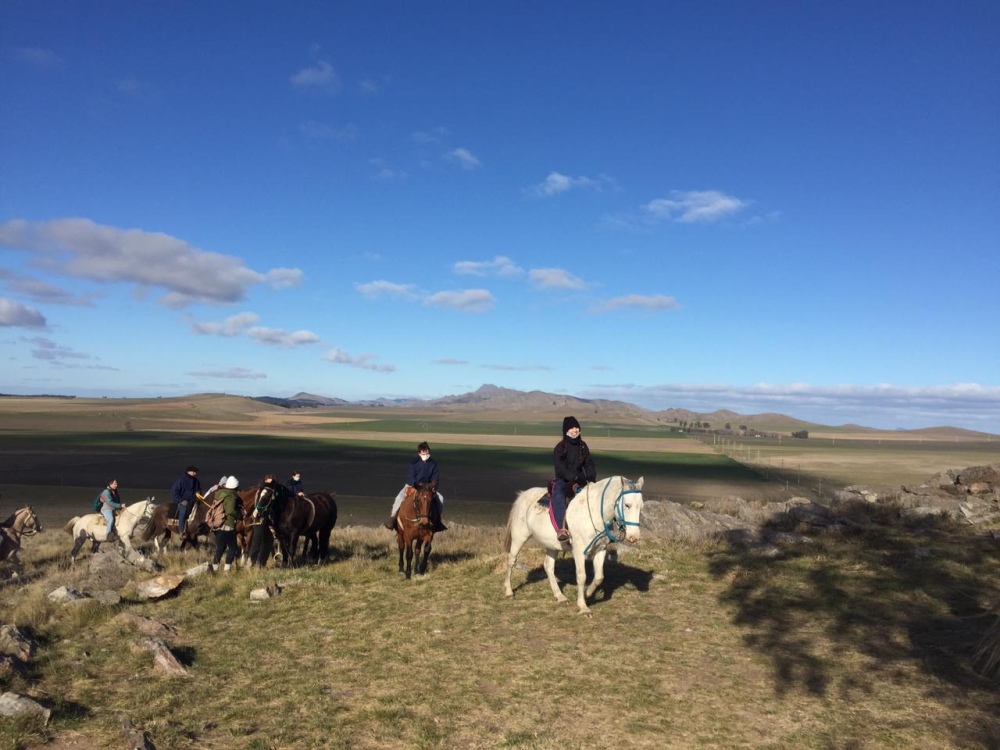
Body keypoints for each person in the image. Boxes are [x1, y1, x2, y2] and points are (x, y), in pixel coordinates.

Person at [551, 416, 597, 542]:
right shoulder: (560, 448)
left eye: (576, 427)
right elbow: (560, 469)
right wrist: (573, 476)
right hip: (563, 480)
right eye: (572, 428)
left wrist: (591, 479)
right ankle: (562, 529)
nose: (575, 430)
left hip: (580, 480)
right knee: (559, 494)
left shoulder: (582, 446)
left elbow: (589, 463)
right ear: (566, 430)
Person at [384, 441, 446, 532]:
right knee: (399, 497)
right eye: (423, 453)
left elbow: (436, 477)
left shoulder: (433, 463)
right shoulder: (414, 463)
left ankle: (438, 522)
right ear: (419, 453)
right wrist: (415, 485)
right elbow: (410, 476)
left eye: (427, 452)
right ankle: (392, 519)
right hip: (414, 485)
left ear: (429, 452)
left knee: (440, 498)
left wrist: (433, 487)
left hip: (428, 487)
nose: (425, 454)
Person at [247, 474, 285, 567]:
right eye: (267, 482)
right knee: (257, 540)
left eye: (271, 482)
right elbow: (258, 503)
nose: (269, 484)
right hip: (260, 518)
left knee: (268, 542)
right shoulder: (261, 491)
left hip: (270, 520)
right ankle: (251, 561)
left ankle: (261, 564)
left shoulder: (276, 492)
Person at [209, 476, 241, 573]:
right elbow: (230, 510)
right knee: (232, 547)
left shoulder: (219, 494)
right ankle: (227, 570)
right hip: (228, 524)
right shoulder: (231, 496)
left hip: (218, 524)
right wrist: (238, 515)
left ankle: (215, 569)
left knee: (220, 547)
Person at [170, 466, 202, 536]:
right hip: (182, 501)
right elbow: (174, 492)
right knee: (183, 512)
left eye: (195, 472)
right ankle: (181, 530)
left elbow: (198, 489)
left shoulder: (196, 481)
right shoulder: (181, 481)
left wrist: (198, 493)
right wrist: (181, 500)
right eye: (193, 472)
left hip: (193, 501)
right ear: (189, 472)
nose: (195, 473)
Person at [98, 478, 126, 542]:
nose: (116, 485)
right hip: (107, 509)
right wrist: (120, 505)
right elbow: (110, 503)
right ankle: (108, 535)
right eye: (115, 484)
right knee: (110, 519)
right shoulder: (106, 492)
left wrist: (121, 507)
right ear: (110, 484)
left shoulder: (114, 491)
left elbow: (117, 501)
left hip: (114, 509)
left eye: (116, 484)